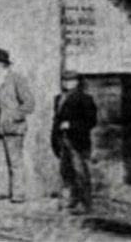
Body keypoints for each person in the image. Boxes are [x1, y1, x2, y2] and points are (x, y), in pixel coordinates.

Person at [0, 48, 35, 204]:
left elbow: (29, 104)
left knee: (15, 162)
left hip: (12, 128)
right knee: (0, 162)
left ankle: (18, 194)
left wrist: (13, 117)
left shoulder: (16, 79)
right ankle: (2, 191)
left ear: (1, 64)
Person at [51, 70, 97, 214]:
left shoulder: (85, 98)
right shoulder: (58, 98)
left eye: (70, 80)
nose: (66, 83)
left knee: (81, 173)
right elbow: (56, 120)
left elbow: (91, 121)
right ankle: (71, 200)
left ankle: (85, 204)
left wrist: (71, 125)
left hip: (78, 141)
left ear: (77, 82)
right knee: (66, 173)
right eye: (64, 80)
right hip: (63, 141)